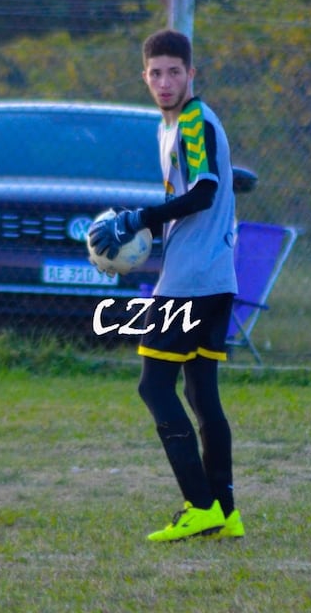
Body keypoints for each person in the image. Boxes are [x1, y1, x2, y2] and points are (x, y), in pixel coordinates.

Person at [88, 29, 241, 542]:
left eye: (174, 71)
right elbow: (200, 199)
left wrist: (139, 219)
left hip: (190, 282)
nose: (165, 82)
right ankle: (225, 510)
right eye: (156, 73)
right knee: (200, 393)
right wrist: (146, 232)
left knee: (154, 386)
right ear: (145, 77)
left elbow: (203, 192)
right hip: (214, 277)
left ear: (191, 73)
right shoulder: (170, 125)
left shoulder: (194, 120)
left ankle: (199, 506)